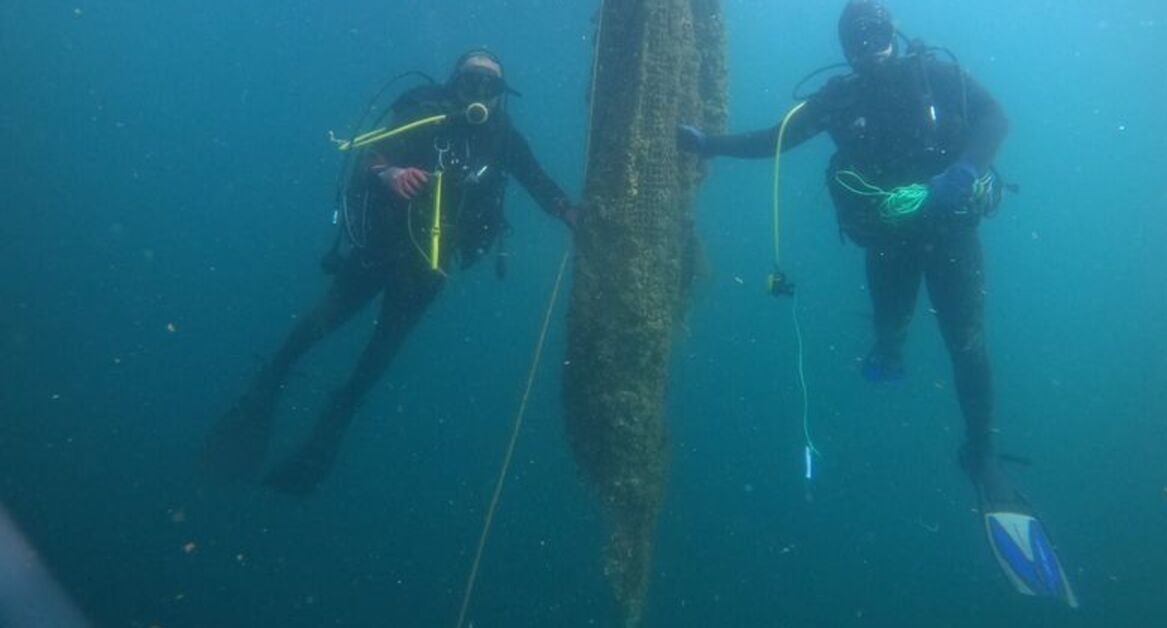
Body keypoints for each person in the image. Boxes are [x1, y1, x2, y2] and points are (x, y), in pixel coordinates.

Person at [678, 1, 1077, 607]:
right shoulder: (838, 100)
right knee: (891, 326)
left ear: (893, 32)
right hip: (888, 241)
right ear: (845, 47)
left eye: (878, 32)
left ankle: (984, 459)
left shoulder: (934, 74)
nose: (871, 45)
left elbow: (995, 118)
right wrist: (709, 145)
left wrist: (963, 172)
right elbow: (773, 140)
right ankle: (888, 347)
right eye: (857, 37)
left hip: (950, 234)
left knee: (966, 343)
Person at [202, 49, 579, 496]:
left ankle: (331, 428)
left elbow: (535, 179)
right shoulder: (424, 111)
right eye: (469, 83)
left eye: (489, 86)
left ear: (501, 95)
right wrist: (391, 174)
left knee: (380, 356)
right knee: (323, 321)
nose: (478, 94)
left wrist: (567, 211)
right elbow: (372, 158)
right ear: (453, 83)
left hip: (426, 269)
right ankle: (264, 392)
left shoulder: (502, 135)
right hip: (380, 248)